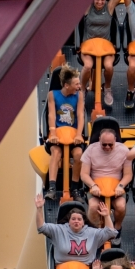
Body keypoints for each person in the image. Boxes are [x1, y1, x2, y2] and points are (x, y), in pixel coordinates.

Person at [80, 129, 132, 239]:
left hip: (115, 188)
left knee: (121, 206)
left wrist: (121, 186)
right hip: (96, 187)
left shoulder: (124, 150)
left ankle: (116, 229)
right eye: (104, 144)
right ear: (99, 140)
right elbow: (84, 174)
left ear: (115, 140)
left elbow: (128, 175)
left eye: (110, 144)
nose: (107, 147)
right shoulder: (91, 150)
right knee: (94, 207)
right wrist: (92, 185)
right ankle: (96, 232)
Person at [44, 65, 85, 201]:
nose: (79, 86)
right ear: (67, 85)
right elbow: (51, 115)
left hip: (73, 135)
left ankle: (75, 188)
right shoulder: (52, 95)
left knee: (78, 154)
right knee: (56, 152)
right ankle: (52, 188)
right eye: (76, 84)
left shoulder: (79, 95)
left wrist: (79, 134)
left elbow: (80, 116)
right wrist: (53, 133)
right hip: (58, 134)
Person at [79, 0, 123, 107]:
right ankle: (82, 89)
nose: (100, 2)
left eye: (102, 0)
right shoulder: (88, 8)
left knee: (108, 66)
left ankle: (107, 88)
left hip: (105, 47)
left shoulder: (109, 6)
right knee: (88, 66)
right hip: (88, 46)